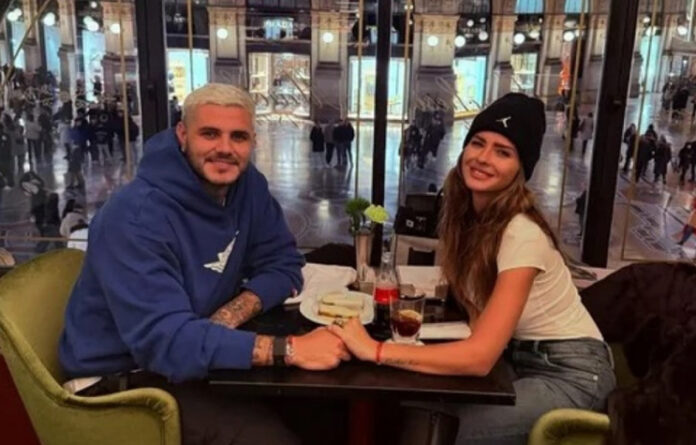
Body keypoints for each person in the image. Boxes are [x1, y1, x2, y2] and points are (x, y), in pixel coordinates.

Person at [59, 84, 349, 444]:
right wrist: (289, 349)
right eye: (209, 134)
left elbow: (284, 263)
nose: (224, 148)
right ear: (183, 135)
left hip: (185, 352)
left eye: (238, 136)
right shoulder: (134, 218)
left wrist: (227, 317)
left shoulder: (248, 186)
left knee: (328, 411)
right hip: (118, 380)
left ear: (253, 141)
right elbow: (166, 344)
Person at [328, 93, 615, 445]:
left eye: (503, 152)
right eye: (478, 143)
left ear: (521, 169)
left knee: (446, 430)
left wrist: (376, 351)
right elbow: (479, 326)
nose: (483, 157)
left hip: (573, 374)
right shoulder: (469, 220)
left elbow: (479, 358)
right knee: (413, 405)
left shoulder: (521, 232)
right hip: (518, 360)